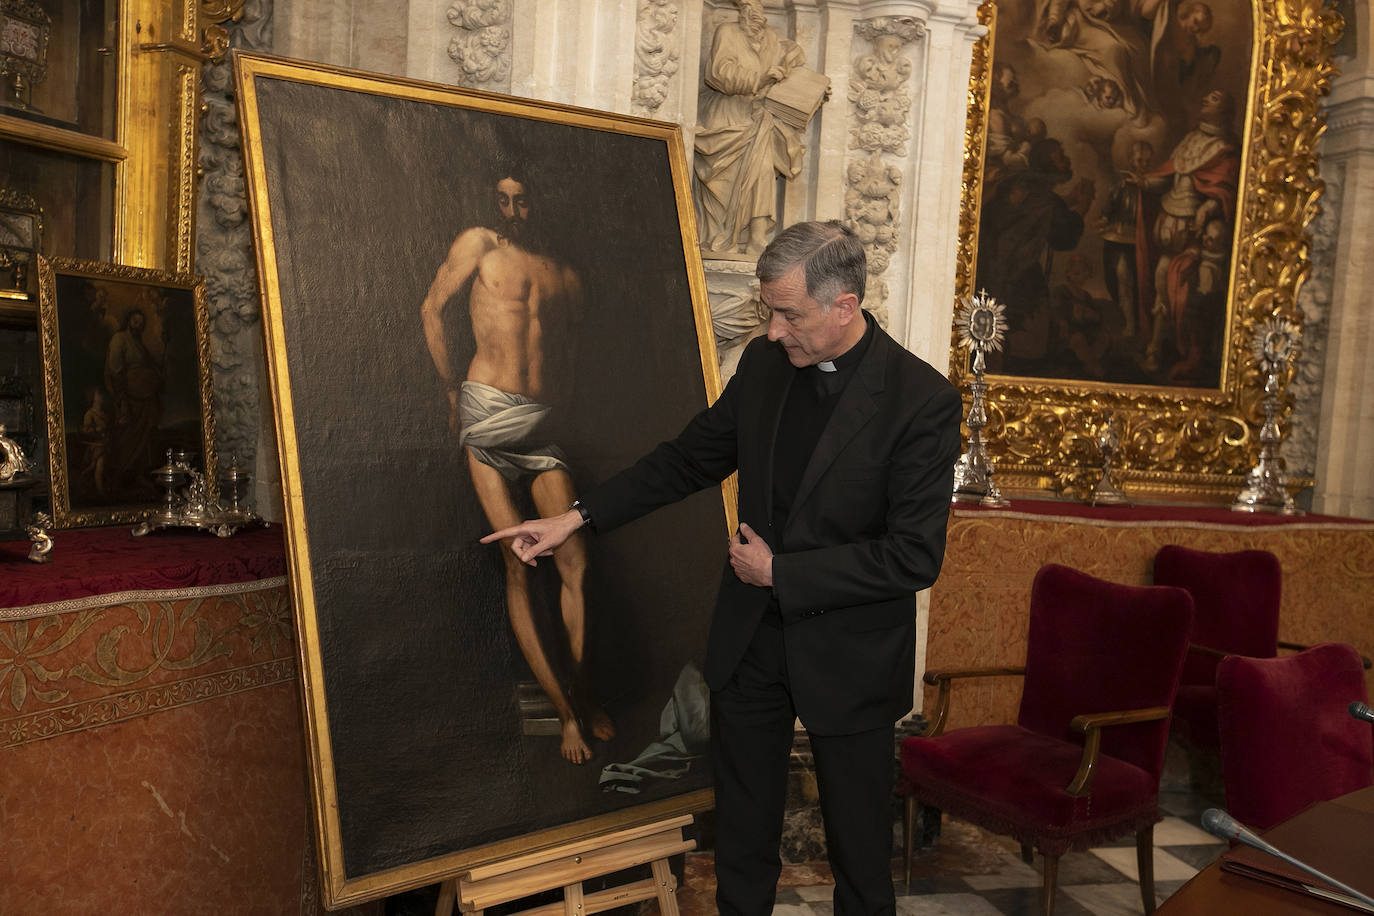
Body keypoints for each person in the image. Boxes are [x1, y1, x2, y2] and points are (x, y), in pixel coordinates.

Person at [482, 221, 963, 915]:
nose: (771, 331)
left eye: (788, 313)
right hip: (751, 643)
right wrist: (575, 517)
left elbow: (915, 556)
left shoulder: (922, 402)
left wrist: (784, 573)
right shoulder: (766, 367)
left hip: (850, 659)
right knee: (739, 843)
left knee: (860, 860)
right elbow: (687, 460)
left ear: (845, 306)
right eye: (770, 310)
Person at [420, 165, 613, 765]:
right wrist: (450, 391)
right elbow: (431, 307)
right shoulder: (478, 244)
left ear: (538, 202)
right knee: (518, 562)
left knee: (576, 560)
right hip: (485, 411)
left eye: (522, 200)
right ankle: (565, 715)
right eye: (502, 199)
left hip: (542, 424)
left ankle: (583, 693)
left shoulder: (567, 275)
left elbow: (575, 357)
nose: (511, 211)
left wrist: (560, 410)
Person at [694, 0, 810, 257]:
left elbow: (794, 54)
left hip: (756, 118)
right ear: (742, 12)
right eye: (750, 12)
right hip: (726, 117)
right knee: (719, 180)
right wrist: (760, 78)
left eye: (760, 13)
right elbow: (718, 74)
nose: (756, 17)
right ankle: (715, 238)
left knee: (763, 172)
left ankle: (757, 238)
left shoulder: (771, 40)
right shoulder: (728, 32)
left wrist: (808, 88)